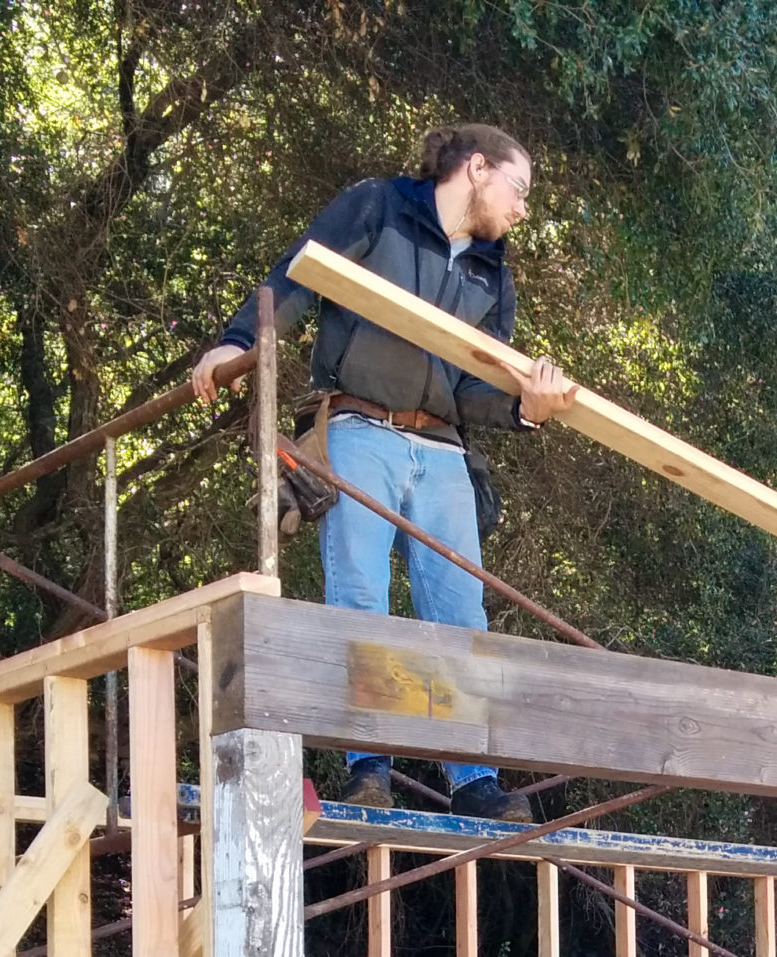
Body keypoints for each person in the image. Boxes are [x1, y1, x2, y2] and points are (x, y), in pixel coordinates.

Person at [193, 123, 576, 820]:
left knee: (459, 615)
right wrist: (237, 341)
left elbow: (471, 391)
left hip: (442, 451)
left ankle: (473, 783)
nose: (523, 209)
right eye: (519, 190)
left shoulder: (493, 274)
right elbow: (296, 278)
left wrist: (528, 410)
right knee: (361, 596)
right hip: (359, 427)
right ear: (479, 168)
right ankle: (368, 767)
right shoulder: (379, 208)